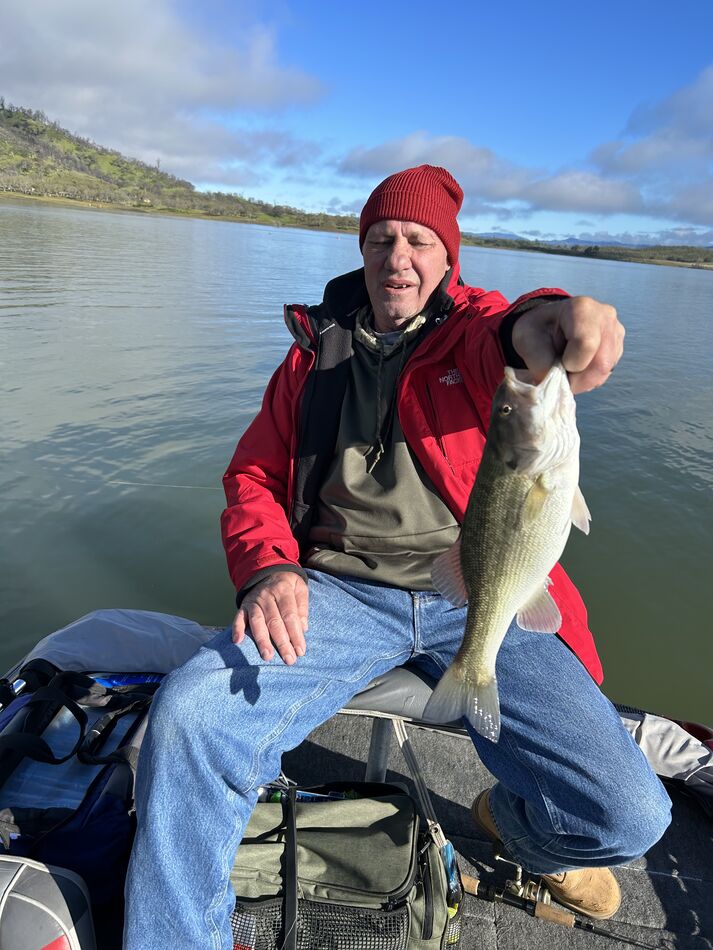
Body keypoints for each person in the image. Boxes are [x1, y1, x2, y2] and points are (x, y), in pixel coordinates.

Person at [123, 165, 671, 949]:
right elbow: (250, 475)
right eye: (381, 239)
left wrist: (556, 322)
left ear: (448, 258)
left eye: (419, 241)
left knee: (630, 816)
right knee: (190, 720)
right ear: (362, 248)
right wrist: (270, 567)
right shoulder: (313, 354)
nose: (397, 258)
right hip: (338, 591)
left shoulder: (473, 333)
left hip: (483, 589)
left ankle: (515, 825)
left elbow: (516, 333)